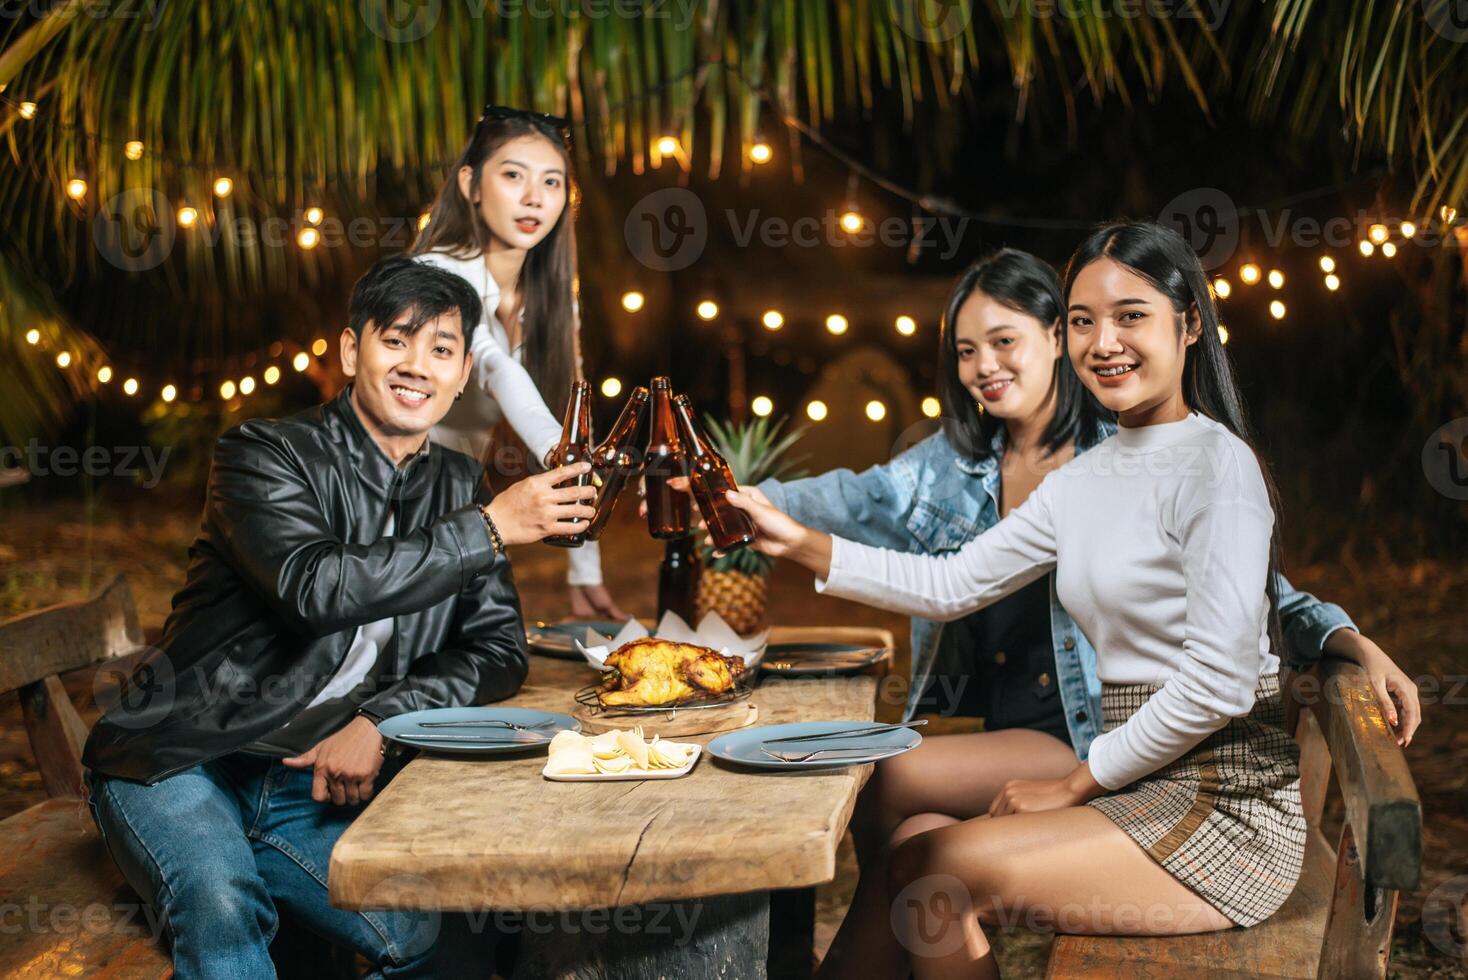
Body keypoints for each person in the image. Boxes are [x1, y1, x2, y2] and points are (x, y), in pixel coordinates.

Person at [721, 223, 1421, 979]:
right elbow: (951, 584)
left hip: (1224, 803)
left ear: (1188, 324)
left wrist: (1078, 781)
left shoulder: (1218, 466)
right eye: (1085, 319)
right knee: (916, 836)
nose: (1103, 341)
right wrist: (796, 541)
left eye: (1130, 316)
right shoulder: (1084, 481)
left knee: (932, 873)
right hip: (1137, 781)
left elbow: (1219, 678)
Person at [83, 256, 597, 979]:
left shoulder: (455, 483)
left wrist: (380, 720)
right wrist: (487, 529)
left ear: (459, 384)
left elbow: (497, 648)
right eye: (396, 341)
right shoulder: (263, 454)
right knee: (222, 902)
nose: (417, 366)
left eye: (442, 351)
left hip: (310, 782)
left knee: (421, 934)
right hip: (182, 758)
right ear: (352, 351)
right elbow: (315, 587)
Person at [412, 104, 626, 621]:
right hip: (385, 502)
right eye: (513, 176)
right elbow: (490, 362)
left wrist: (584, 569)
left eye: (552, 182)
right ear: (471, 184)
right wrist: (558, 447)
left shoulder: (552, 298)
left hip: (459, 515)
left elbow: (575, 412)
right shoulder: (434, 272)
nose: (535, 197)